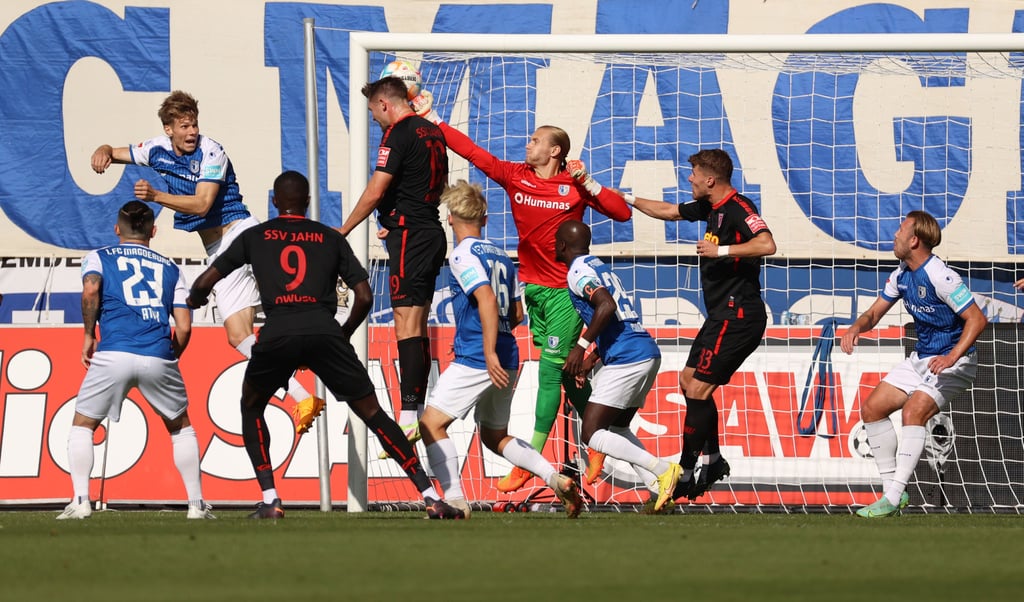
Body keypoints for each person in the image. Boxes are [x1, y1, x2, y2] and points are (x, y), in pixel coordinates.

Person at [187, 171, 462, 519]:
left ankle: (271, 499)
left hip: (278, 333)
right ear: (308, 203)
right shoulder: (328, 238)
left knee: (252, 406)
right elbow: (364, 295)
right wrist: (343, 332)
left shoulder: (254, 237)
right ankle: (430, 496)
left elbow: (206, 280)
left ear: (274, 202)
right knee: (374, 414)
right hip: (324, 332)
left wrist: (195, 298)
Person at [414, 91, 632, 492]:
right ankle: (596, 440)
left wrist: (590, 181)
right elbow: (476, 155)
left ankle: (531, 460)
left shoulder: (573, 184)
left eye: (535, 140)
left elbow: (621, 212)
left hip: (566, 291)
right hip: (530, 289)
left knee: (549, 371)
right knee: (566, 376)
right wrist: (435, 120)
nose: (527, 143)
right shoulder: (516, 175)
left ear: (555, 150)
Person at [90, 91, 324, 435]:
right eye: (184, 126)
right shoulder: (155, 149)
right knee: (237, 335)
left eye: (194, 124)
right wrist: (104, 150)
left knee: (280, 297)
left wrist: (157, 197)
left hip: (241, 231)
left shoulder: (211, 151)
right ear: (168, 129)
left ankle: (316, 302)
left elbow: (202, 204)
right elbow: (117, 152)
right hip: (217, 247)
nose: (191, 132)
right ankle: (303, 396)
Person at [418, 181, 584, 518]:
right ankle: (554, 478)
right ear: (485, 219)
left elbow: (487, 300)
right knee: (495, 436)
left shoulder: (463, 254)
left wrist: (487, 350)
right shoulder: (501, 257)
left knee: (431, 424)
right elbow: (517, 313)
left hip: (482, 357)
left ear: (450, 218)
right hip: (508, 355)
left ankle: (454, 501)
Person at [625, 149, 777, 501]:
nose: (689, 178)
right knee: (688, 381)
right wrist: (624, 198)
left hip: (739, 315)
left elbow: (767, 244)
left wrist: (720, 252)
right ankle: (713, 459)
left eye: (693, 173)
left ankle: (687, 470)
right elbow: (668, 211)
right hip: (721, 315)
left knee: (697, 390)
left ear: (711, 179)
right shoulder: (712, 208)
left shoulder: (739, 208)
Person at [57, 201, 213, 520]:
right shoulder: (171, 268)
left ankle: (81, 501)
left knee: (83, 425)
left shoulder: (99, 257)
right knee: (180, 427)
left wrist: (89, 334)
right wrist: (169, 357)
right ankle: (196, 506)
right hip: (157, 352)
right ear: (153, 231)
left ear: (117, 229)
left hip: (113, 351)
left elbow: (90, 290)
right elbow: (183, 325)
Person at [841, 210, 986, 518]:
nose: (895, 234)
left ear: (914, 240)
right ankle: (892, 492)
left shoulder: (941, 276)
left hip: (954, 362)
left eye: (901, 229)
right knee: (872, 409)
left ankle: (892, 498)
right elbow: (874, 313)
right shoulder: (901, 274)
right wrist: (855, 327)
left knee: (913, 412)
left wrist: (952, 356)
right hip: (921, 358)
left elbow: (977, 318)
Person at [340, 77, 449, 445]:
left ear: (385, 104)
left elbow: (376, 189)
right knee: (416, 322)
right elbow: (422, 184)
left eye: (374, 113)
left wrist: (343, 230)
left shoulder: (398, 134)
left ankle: (407, 416)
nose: (376, 121)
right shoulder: (432, 132)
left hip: (412, 237)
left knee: (407, 323)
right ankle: (412, 413)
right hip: (428, 232)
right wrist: (396, 216)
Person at [556, 220, 681, 513]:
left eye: (555, 242)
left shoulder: (578, 272)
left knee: (592, 432)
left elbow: (606, 307)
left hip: (628, 357)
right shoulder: (600, 266)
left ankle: (663, 469)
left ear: (561, 245)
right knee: (619, 427)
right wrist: (592, 360)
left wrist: (580, 347)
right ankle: (656, 490)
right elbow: (615, 319)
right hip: (644, 350)